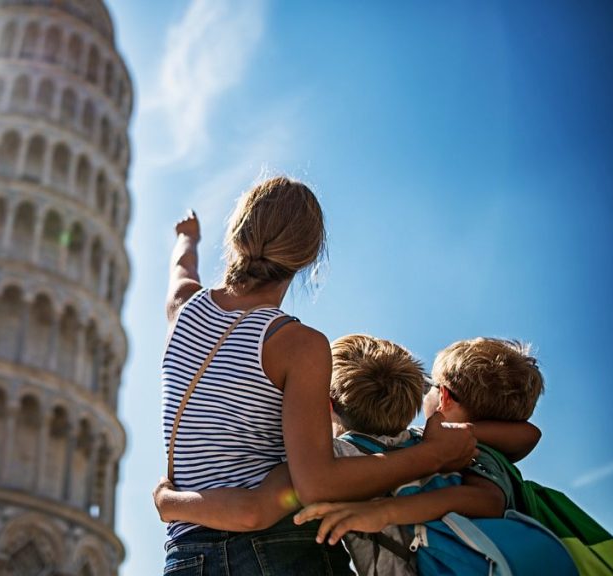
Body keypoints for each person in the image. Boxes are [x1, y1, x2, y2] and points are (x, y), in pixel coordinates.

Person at [160, 176, 476, 575]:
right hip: (276, 549)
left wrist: (186, 237)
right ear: (306, 258)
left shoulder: (183, 309)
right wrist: (431, 455)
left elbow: (181, 267)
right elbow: (316, 483)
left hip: (185, 553)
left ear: (238, 232)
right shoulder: (296, 344)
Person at [158, 334, 539, 575]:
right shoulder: (433, 447)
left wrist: (170, 502)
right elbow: (527, 434)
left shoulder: (333, 461)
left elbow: (255, 510)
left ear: (325, 406)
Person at [294, 338, 547, 549]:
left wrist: (386, 512)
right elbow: (529, 434)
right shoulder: (433, 442)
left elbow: (487, 500)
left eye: (431, 387)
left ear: (444, 397)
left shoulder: (476, 451)